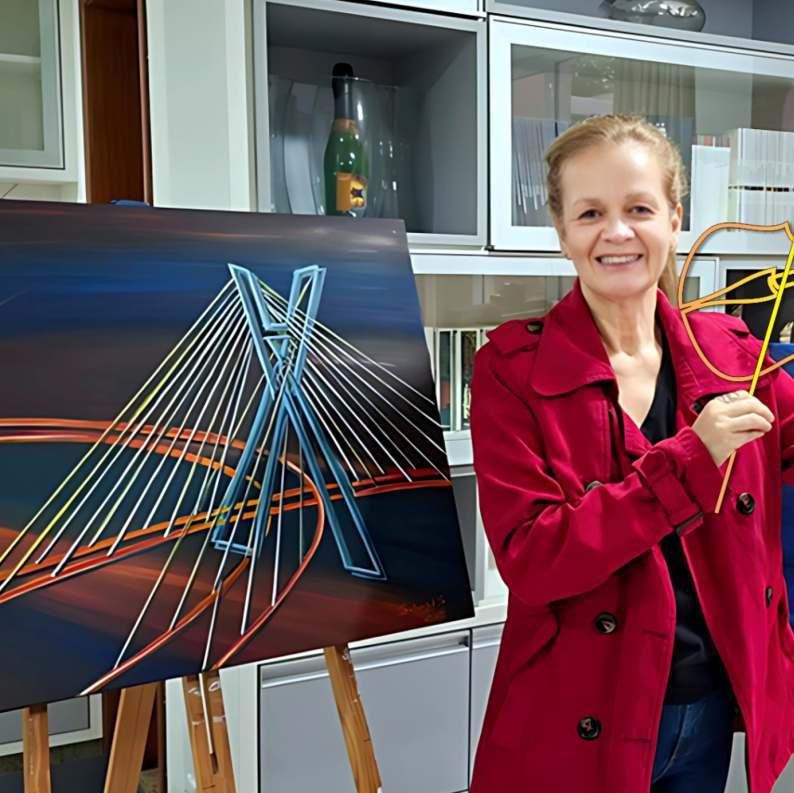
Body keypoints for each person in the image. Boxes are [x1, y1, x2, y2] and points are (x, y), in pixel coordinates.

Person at [469, 113, 794, 793]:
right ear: (562, 231)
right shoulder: (511, 371)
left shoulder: (735, 355)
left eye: (639, 209)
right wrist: (690, 459)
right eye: (591, 212)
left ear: (675, 220)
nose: (617, 232)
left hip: (707, 709)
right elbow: (534, 558)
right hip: (578, 715)